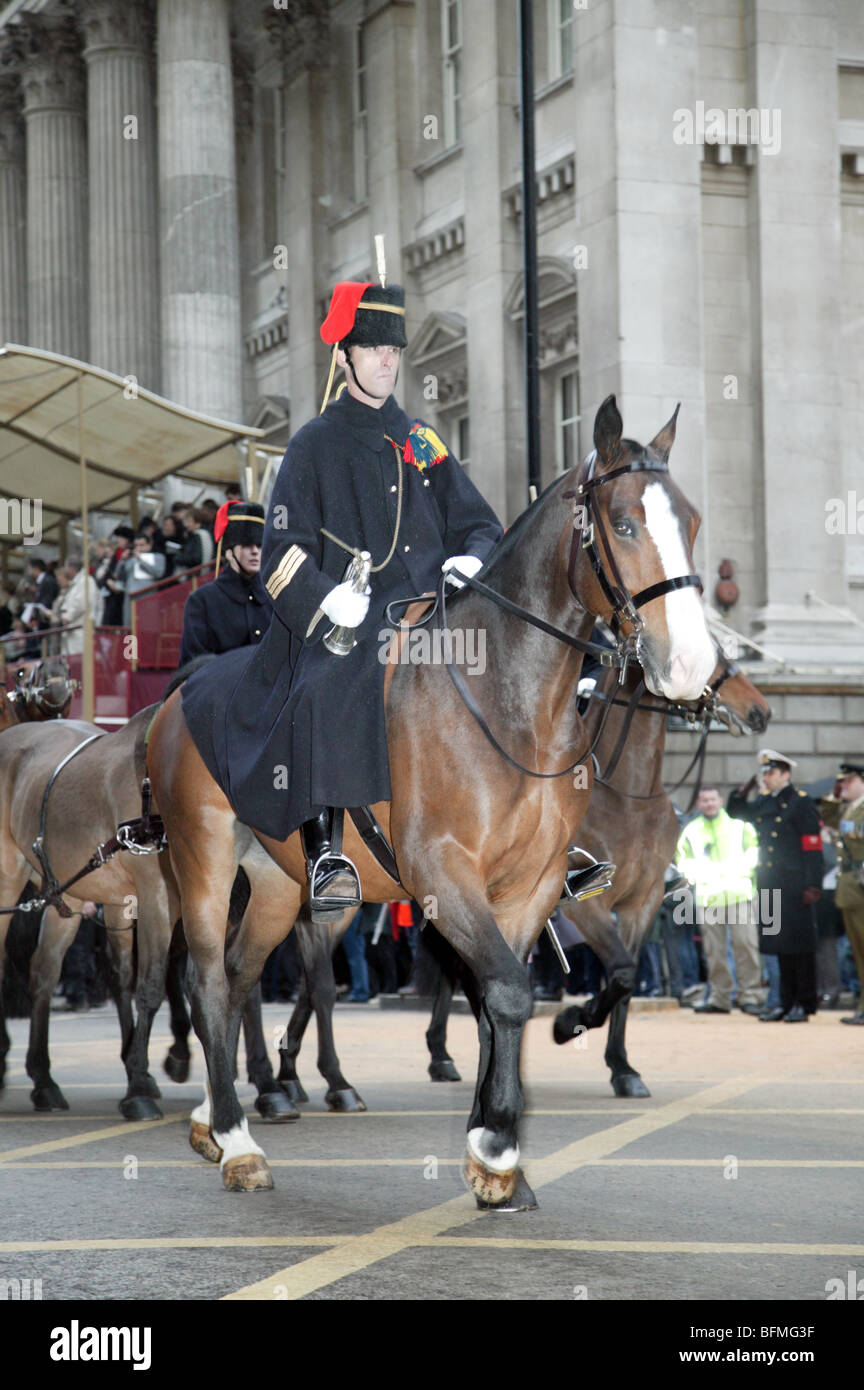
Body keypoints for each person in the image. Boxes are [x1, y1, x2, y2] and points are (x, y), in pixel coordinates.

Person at [180, 275, 502, 918]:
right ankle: (326, 849)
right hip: (349, 625)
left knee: (514, 673)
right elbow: (279, 555)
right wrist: (330, 600)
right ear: (344, 356)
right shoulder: (311, 445)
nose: (387, 360)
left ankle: (532, 833)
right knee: (329, 684)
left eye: (394, 351)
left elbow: (478, 520)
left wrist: (473, 555)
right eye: (374, 348)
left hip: (436, 613)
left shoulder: (421, 439)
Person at [727, 749, 824, 1022]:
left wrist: (813, 884)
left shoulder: (799, 802)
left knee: (799, 945)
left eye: (771, 773)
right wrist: (741, 792)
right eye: (764, 773)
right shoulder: (764, 801)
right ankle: (785, 1001)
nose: (766, 778)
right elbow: (736, 813)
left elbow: (812, 845)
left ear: (786, 774)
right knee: (780, 945)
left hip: (796, 883)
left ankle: (803, 1003)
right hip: (770, 882)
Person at [676, 785, 762, 1014]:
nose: (709, 804)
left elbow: (754, 853)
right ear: (698, 804)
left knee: (746, 947)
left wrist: (742, 873)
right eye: (704, 800)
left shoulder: (740, 827)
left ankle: (750, 995)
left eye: (712, 799)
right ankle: (720, 998)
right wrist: (695, 876)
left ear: (720, 801)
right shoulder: (691, 831)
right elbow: (682, 860)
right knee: (714, 952)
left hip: (738, 894)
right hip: (709, 897)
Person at [178, 502, 270, 664]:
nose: (255, 551)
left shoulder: (273, 598)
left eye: (259, 545)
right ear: (228, 552)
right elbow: (194, 665)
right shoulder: (202, 600)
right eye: (247, 545)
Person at [819, 761, 864, 1025]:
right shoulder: (849, 808)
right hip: (850, 885)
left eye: (848, 781)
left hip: (859, 883)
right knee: (857, 950)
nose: (843, 786)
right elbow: (829, 818)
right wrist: (832, 797)